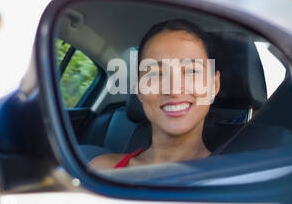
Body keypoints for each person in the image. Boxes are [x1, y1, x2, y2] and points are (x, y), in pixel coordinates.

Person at [90, 18, 221, 171]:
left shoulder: (235, 180)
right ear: (138, 88)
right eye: (156, 74)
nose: (173, 90)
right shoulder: (100, 169)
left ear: (214, 85)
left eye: (191, 71)